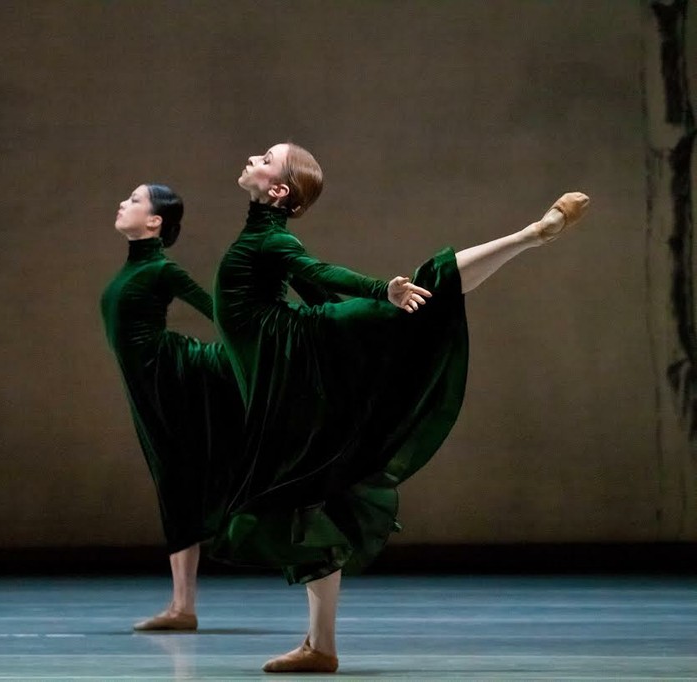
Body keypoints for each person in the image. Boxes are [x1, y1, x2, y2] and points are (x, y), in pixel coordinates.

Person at [209, 143, 589, 673]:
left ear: (278, 190)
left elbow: (317, 270)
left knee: (424, 293)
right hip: (283, 368)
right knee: (310, 499)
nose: (254, 157)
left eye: (267, 157)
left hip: (295, 352)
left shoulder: (271, 238)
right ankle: (321, 647)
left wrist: (376, 293)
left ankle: (529, 234)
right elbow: (310, 283)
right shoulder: (262, 237)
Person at [100, 183, 241, 631]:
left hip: (173, 377)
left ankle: (183, 607)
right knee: (172, 481)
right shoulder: (134, 268)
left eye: (134, 200)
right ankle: (182, 607)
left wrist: (262, 340)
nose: (122, 202)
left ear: (155, 221)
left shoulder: (162, 269)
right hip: (147, 386)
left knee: (176, 477)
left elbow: (217, 311)